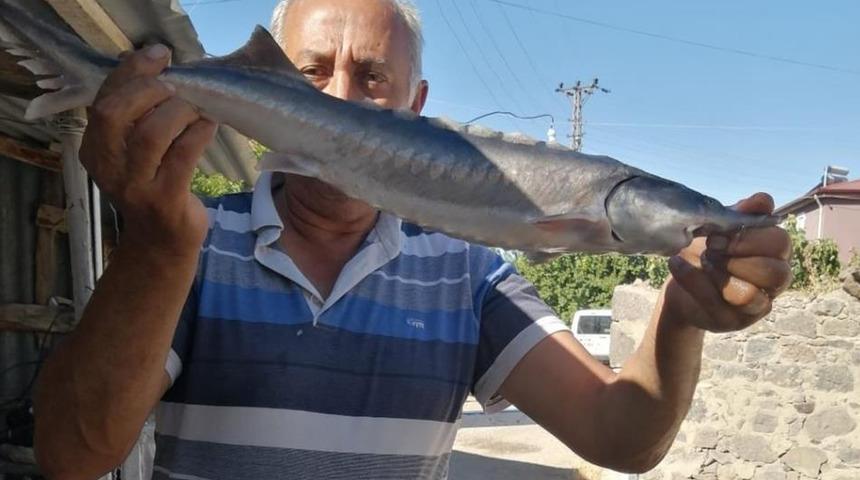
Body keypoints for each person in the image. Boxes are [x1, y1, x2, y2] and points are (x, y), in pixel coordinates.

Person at [32, 0, 793, 478]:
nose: (337, 96)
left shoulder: (466, 273)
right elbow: (72, 456)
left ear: (414, 102)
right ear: (265, 84)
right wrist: (157, 245)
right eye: (310, 73)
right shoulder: (191, 242)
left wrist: (681, 315)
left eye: (370, 77)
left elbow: (622, 438)